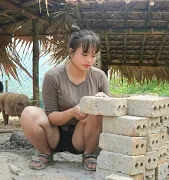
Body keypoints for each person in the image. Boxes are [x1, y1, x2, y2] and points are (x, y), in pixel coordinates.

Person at [20, 25, 110, 171]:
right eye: (85, 54)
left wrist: (103, 100)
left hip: (82, 137)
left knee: (97, 110)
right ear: (71, 52)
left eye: (93, 56)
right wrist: (72, 112)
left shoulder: (99, 76)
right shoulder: (53, 76)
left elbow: (109, 115)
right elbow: (51, 117)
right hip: (54, 134)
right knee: (28, 112)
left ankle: (89, 154)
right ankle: (46, 153)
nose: (89, 60)